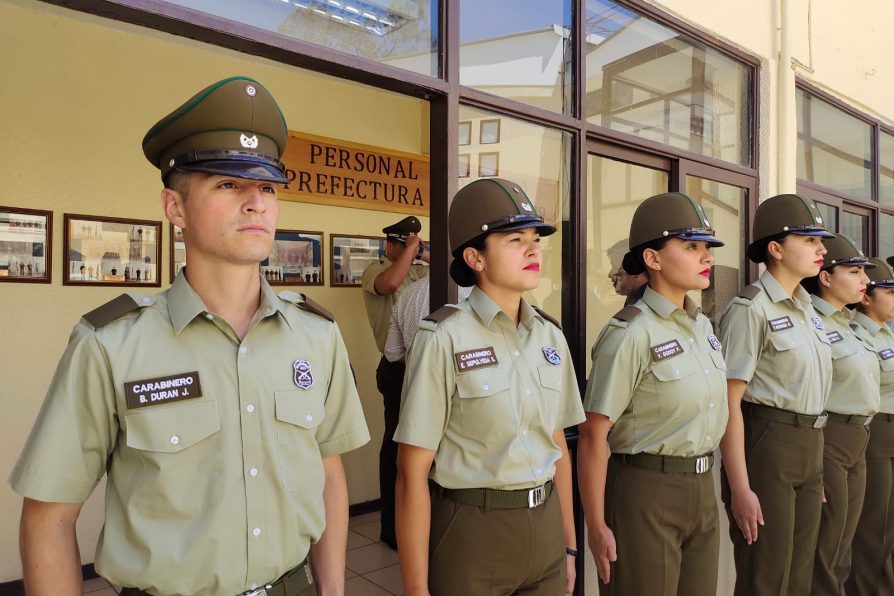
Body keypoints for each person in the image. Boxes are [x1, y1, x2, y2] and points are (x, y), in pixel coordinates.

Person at [9, 77, 370, 596]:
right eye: (228, 184)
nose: (256, 203)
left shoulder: (315, 334)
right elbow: (48, 517)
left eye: (267, 187)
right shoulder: (111, 344)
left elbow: (328, 472)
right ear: (175, 209)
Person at [394, 178, 585, 595]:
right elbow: (411, 472)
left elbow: (558, 447)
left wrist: (569, 546)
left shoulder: (550, 337)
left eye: (535, 239)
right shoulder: (444, 337)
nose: (534, 250)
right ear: (475, 258)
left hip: (546, 528)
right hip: (473, 532)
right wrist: (415, 589)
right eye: (516, 239)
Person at [579, 192, 729, 596]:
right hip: (646, 489)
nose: (706, 257)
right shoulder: (629, 334)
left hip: (702, 487)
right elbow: (593, 436)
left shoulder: (702, 327)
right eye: (691, 246)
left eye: (707, 247)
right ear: (654, 259)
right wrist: (595, 525)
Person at [717, 193, 834, 596]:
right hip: (768, 444)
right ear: (776, 249)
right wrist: (741, 488)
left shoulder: (809, 309)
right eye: (809, 240)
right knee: (765, 575)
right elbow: (729, 403)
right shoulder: (750, 309)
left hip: (810, 445)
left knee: (799, 577)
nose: (822, 249)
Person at [801, 235, 878, 596]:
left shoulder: (848, 323)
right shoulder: (812, 321)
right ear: (826, 277)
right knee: (826, 546)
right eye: (854, 271)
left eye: (864, 272)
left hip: (859, 438)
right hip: (829, 437)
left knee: (844, 546)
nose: (865, 280)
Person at [361, 215, 430, 549]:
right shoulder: (375, 270)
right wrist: (411, 252)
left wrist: (429, 254)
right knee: (396, 450)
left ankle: (420, 520)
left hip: (427, 368)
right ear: (390, 245)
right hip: (396, 366)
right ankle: (391, 528)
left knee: (423, 448)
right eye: (404, 246)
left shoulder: (420, 271)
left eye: (413, 246)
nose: (411, 253)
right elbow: (390, 285)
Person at [845, 258, 894, 596]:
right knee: (872, 527)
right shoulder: (853, 334)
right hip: (874, 431)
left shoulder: (889, 331)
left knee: (890, 530)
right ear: (866, 298)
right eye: (890, 292)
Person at [382, 276, 471, 364]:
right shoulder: (473, 291)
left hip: (418, 374)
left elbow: (393, 351)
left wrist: (421, 362)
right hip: (463, 374)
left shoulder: (408, 292)